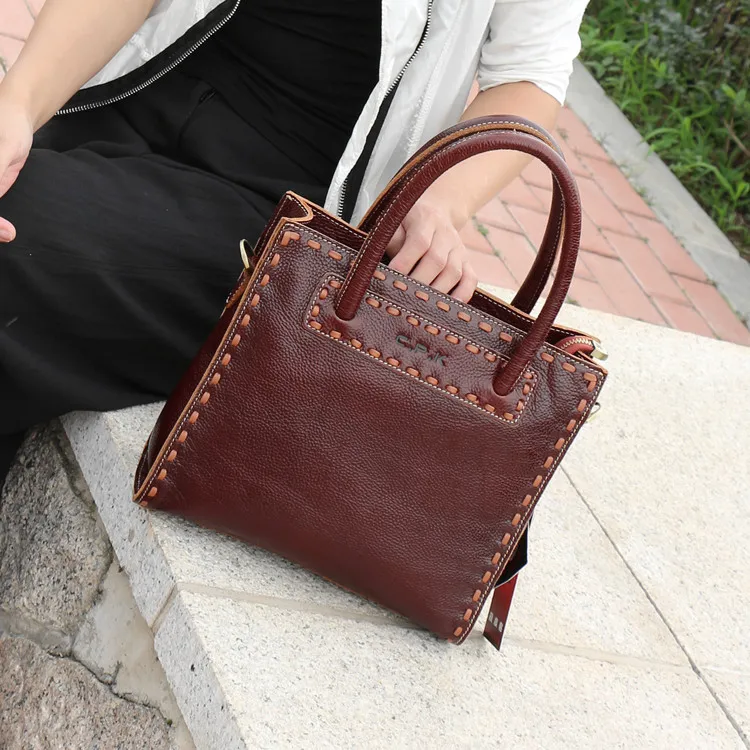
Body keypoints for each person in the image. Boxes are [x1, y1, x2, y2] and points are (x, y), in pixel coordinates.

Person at [0, 0, 588, 490]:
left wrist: (441, 201)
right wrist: (18, 103)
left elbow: (529, 73)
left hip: (285, 213)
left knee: (15, 246)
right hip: (132, 91)